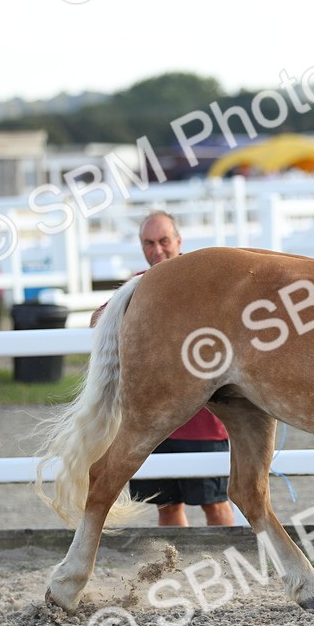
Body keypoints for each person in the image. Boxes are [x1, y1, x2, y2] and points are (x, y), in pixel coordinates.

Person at [90, 211, 235, 527]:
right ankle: (177, 570)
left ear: (178, 241)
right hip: (152, 419)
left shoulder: (202, 279)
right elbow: (99, 321)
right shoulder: (141, 284)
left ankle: (230, 571)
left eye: (164, 241)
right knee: (166, 507)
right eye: (149, 243)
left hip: (203, 419)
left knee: (216, 503)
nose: (157, 250)